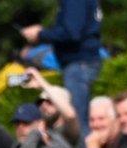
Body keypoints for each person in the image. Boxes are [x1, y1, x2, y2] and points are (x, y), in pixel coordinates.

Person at [21, 0, 104, 136]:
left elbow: (71, 33)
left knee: (76, 122)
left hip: (78, 64)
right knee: (79, 118)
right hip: (82, 63)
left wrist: (40, 34)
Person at [22, 67, 80, 147]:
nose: (43, 105)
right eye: (40, 102)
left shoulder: (68, 130)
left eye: (49, 102)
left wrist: (41, 83)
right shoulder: (40, 132)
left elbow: (70, 115)